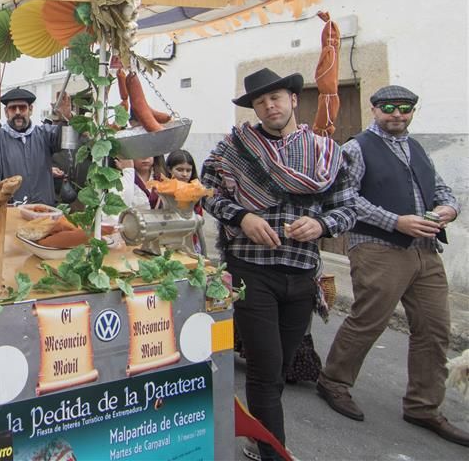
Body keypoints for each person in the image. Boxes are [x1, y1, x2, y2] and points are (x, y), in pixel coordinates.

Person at [200, 68, 356, 461]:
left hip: (301, 273)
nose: (269, 106)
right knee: (265, 369)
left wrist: (321, 223)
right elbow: (206, 193)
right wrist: (242, 217)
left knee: (282, 366)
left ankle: (258, 437)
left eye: (276, 98)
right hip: (251, 270)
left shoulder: (325, 153)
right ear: (253, 107)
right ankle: (274, 452)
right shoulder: (233, 150)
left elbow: (348, 208)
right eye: (260, 101)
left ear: (293, 100)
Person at [316, 85, 467, 447]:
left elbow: (442, 190)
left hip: (425, 249)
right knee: (369, 319)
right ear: (374, 109)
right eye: (389, 108)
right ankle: (334, 381)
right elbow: (346, 197)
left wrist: (448, 210)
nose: (397, 114)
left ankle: (423, 406)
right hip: (378, 247)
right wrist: (395, 222)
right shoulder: (356, 148)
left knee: (434, 329)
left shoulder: (416, 147)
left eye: (405, 108)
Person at [0, 88, 69, 205]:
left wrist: (66, 118)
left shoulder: (44, 134)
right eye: (13, 108)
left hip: (43, 211)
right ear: (6, 112)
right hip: (10, 212)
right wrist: (0, 192)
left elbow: (69, 143)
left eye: (22, 108)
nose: (18, 112)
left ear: (30, 110)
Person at [163, 149, 204, 254]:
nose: (185, 174)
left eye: (188, 170)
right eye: (180, 169)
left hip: (191, 243)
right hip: (166, 243)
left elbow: (198, 218)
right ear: (169, 169)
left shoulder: (196, 191)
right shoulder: (162, 190)